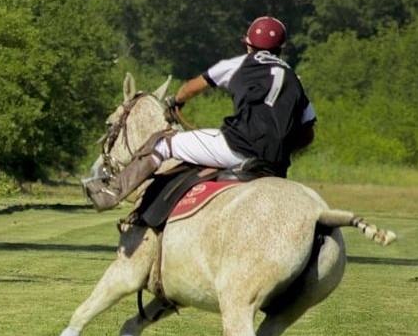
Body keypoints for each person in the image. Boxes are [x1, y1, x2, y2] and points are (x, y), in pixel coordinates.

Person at [85, 15, 317, 212]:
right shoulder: (295, 81)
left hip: (235, 148)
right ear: (281, 49)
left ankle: (110, 192)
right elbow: (308, 134)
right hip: (274, 165)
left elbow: (194, 86)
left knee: (161, 144)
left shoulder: (239, 64)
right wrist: (280, 148)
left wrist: (175, 100)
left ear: (248, 45)